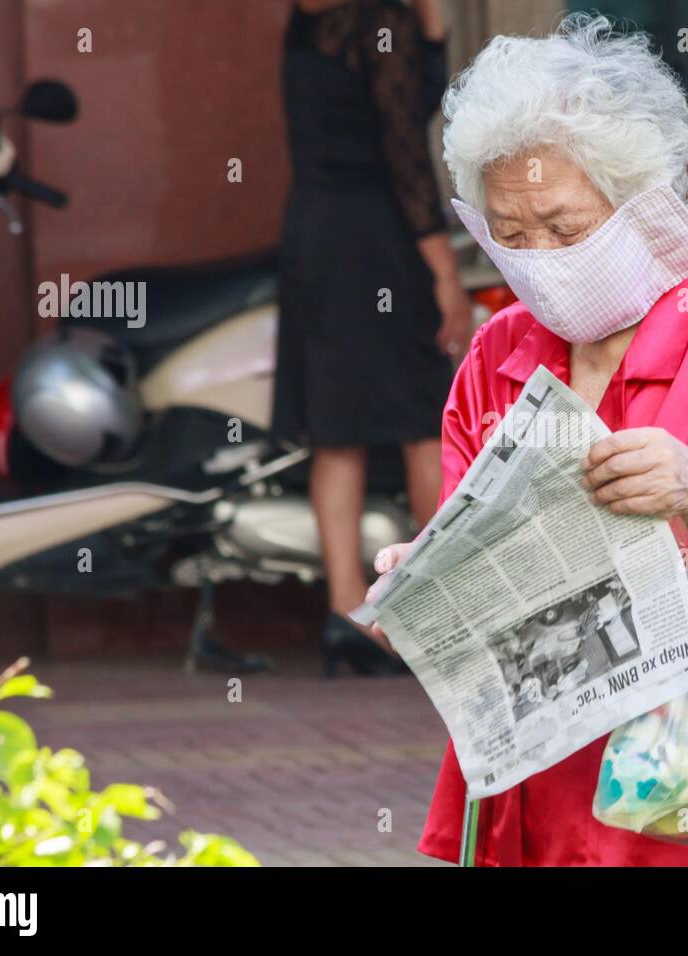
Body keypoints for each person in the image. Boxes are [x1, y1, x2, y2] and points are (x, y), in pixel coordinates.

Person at [368, 15, 688, 867]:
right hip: (528, 791)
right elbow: (472, 542)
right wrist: (420, 594)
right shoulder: (497, 354)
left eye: (564, 229)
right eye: (510, 235)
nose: (537, 259)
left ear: (640, 205)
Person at [274, 0, 473, 675]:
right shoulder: (377, 23)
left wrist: (433, 29)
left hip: (314, 230)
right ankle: (434, 612)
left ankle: (342, 614)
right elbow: (408, 154)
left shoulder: (310, 18)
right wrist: (444, 271)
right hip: (379, 238)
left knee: (339, 429)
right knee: (420, 420)